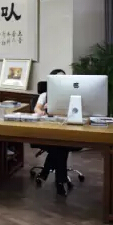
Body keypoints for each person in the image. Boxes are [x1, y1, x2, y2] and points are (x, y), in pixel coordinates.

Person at [33, 68, 71, 196]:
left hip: (66, 131)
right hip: (47, 131)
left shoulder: (71, 95)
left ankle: (45, 173)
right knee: (60, 147)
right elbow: (36, 109)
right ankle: (60, 181)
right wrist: (42, 111)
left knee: (59, 146)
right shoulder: (45, 95)